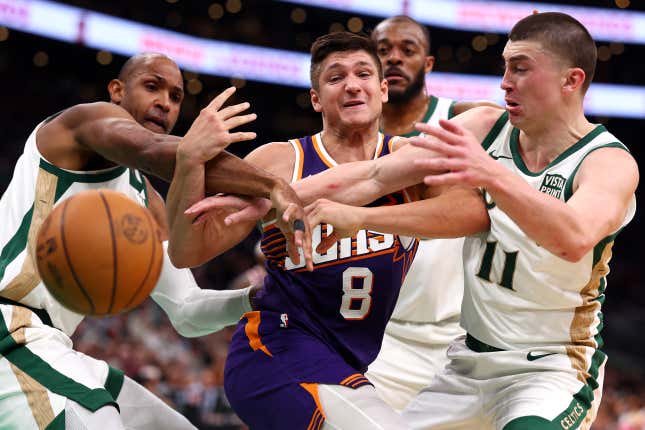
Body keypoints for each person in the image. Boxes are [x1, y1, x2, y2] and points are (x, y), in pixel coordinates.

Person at [303, 12, 638, 429]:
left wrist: (489, 172)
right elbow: (375, 174)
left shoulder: (607, 161)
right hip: (467, 361)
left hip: (549, 369)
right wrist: (279, 199)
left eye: (520, 68)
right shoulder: (484, 126)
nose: (504, 82)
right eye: (504, 67)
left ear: (570, 81)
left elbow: (573, 237)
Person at [165, 32, 471, 430]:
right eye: (335, 77)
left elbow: (467, 211)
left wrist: (363, 218)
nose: (351, 84)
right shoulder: (280, 161)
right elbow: (188, 252)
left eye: (363, 73)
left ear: (382, 90)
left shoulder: (406, 162)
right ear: (315, 98)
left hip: (350, 363)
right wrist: (189, 160)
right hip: (276, 348)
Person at [0, 52, 310, 430]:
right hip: (9, 326)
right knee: (98, 420)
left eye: (177, 97)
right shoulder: (82, 123)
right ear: (116, 91)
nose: (165, 102)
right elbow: (153, 151)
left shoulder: (147, 201)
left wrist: (264, 296)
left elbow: (188, 310)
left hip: (48, 341)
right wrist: (273, 186)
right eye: (152, 86)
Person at [368, 15, 498, 411]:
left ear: (427, 65)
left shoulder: (465, 120)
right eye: (383, 50)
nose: (394, 58)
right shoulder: (352, 130)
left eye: (407, 50)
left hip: (454, 338)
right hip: (376, 334)